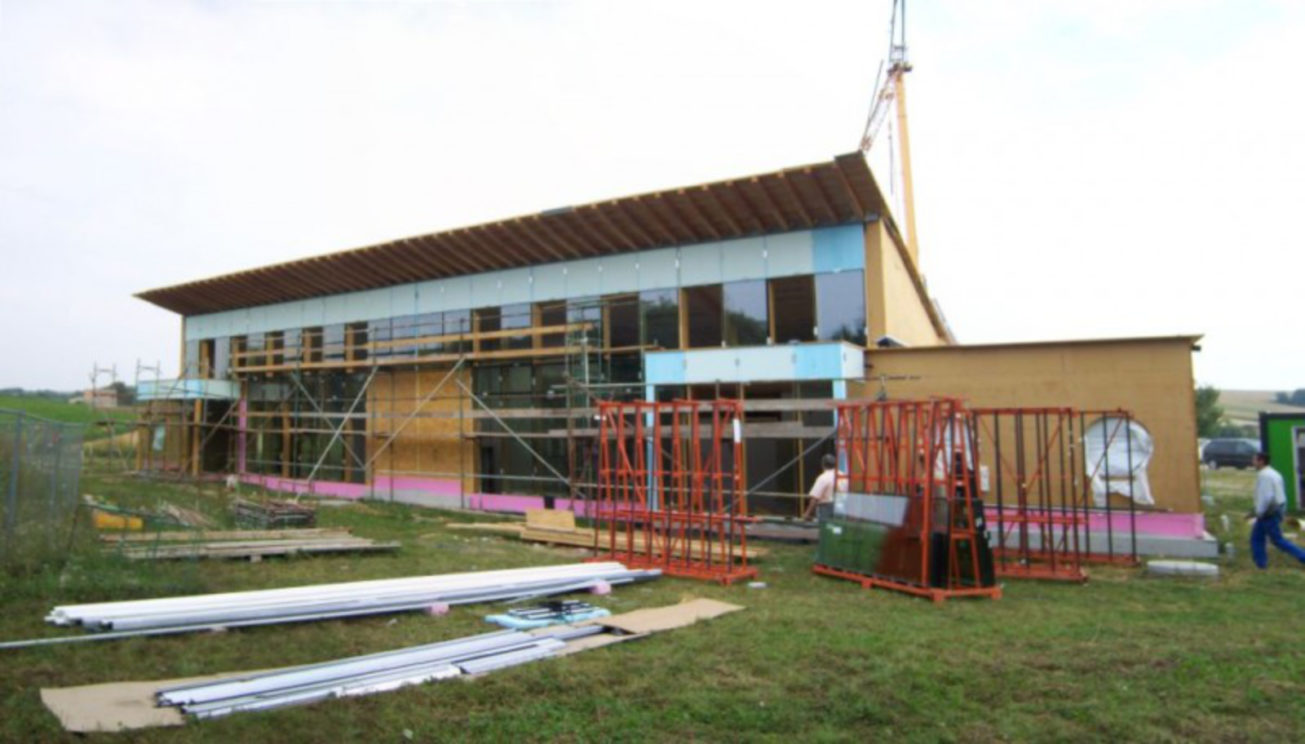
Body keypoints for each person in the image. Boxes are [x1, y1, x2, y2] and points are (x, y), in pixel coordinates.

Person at [1249, 452, 1305, 569]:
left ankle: (1302, 556)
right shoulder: (1274, 473)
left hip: (1268, 512)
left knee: (1277, 540)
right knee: (1257, 538)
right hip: (1277, 509)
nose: (1252, 462)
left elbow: (1267, 497)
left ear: (1261, 461)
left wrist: (1259, 511)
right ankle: (1260, 564)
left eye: (1255, 460)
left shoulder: (1264, 476)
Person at [802, 454, 846, 522]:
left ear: (823, 465)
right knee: (838, 528)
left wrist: (807, 513)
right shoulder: (843, 476)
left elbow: (815, 498)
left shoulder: (823, 478)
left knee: (826, 529)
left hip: (826, 508)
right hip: (841, 506)